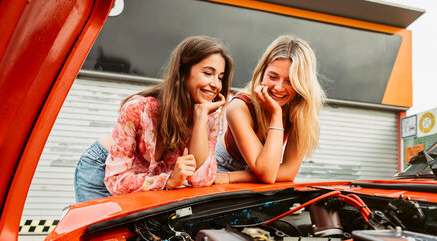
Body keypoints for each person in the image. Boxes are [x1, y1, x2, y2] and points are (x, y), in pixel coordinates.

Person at [74, 35, 233, 202]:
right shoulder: (138, 109)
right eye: (208, 73)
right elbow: (117, 179)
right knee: (100, 228)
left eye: (220, 77)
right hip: (101, 168)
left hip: (144, 181)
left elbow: (202, 178)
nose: (216, 84)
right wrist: (168, 180)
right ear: (183, 73)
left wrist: (200, 117)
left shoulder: (209, 117)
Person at [214, 35, 325, 184]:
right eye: (273, 77)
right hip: (221, 167)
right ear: (262, 72)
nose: (279, 87)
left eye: (290, 81)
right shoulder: (239, 107)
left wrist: (276, 113)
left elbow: (287, 172)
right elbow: (268, 174)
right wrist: (277, 115)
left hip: (251, 174)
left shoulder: (299, 111)